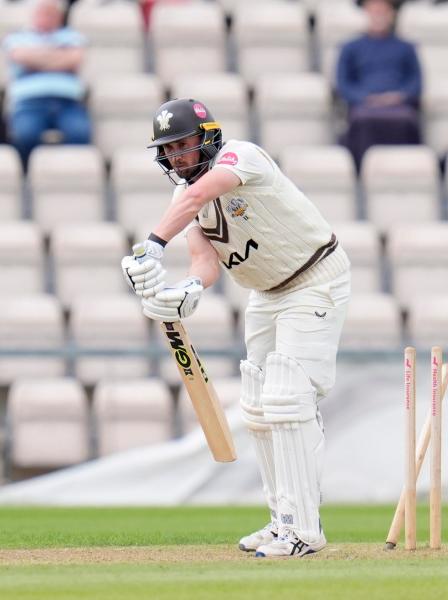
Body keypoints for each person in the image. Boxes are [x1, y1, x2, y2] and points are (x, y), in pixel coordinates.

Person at [120, 98, 351, 557]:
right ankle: (281, 518)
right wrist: (189, 289)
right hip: (265, 293)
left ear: (207, 138)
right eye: (169, 150)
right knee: (259, 407)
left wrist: (150, 245)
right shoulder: (182, 200)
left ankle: (305, 530)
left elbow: (200, 195)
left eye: (184, 145)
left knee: (288, 399)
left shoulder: (240, 156)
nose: (177, 157)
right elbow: (204, 260)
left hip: (314, 278)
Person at [3, 0, 91, 169]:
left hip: (69, 104)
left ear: (59, 16)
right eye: (43, 13)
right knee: (25, 135)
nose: (46, 17)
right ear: (34, 15)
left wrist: (36, 60)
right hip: (29, 104)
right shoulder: (17, 37)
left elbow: (74, 59)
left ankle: (70, 174)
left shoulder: (73, 36)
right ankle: (27, 175)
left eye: (51, 14)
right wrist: (59, 58)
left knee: (80, 133)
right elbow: (20, 56)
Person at [336, 0, 422, 168]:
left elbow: (415, 84)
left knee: (407, 120)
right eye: (374, 12)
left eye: (383, 12)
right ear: (366, 14)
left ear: (392, 15)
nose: (378, 16)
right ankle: (362, 171)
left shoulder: (406, 48)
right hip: (364, 107)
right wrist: (367, 99)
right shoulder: (350, 48)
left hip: (398, 107)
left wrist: (397, 97)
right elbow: (344, 85)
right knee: (361, 120)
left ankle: (404, 168)